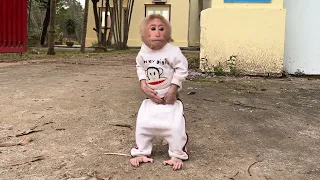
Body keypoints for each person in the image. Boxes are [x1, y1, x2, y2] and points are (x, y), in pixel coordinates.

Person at [129, 14, 189, 171]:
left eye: (162, 29)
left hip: (170, 100)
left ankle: (177, 154)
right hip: (151, 98)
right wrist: (143, 83)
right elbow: (139, 66)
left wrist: (174, 88)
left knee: (176, 127)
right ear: (144, 34)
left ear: (168, 33)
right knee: (143, 125)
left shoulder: (173, 51)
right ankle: (141, 151)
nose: (158, 33)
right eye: (153, 28)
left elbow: (182, 69)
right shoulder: (143, 52)